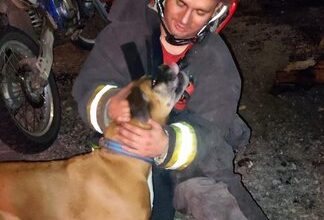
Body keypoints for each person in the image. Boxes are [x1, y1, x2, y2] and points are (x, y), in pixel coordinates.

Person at [72, 0, 269, 219]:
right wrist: (108, 105)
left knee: (214, 198)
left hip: (189, 167)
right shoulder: (125, 35)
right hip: (124, 155)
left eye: (200, 12)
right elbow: (89, 88)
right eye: (180, 4)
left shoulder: (215, 61)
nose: (184, 20)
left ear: (217, 12)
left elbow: (210, 136)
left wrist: (167, 145)